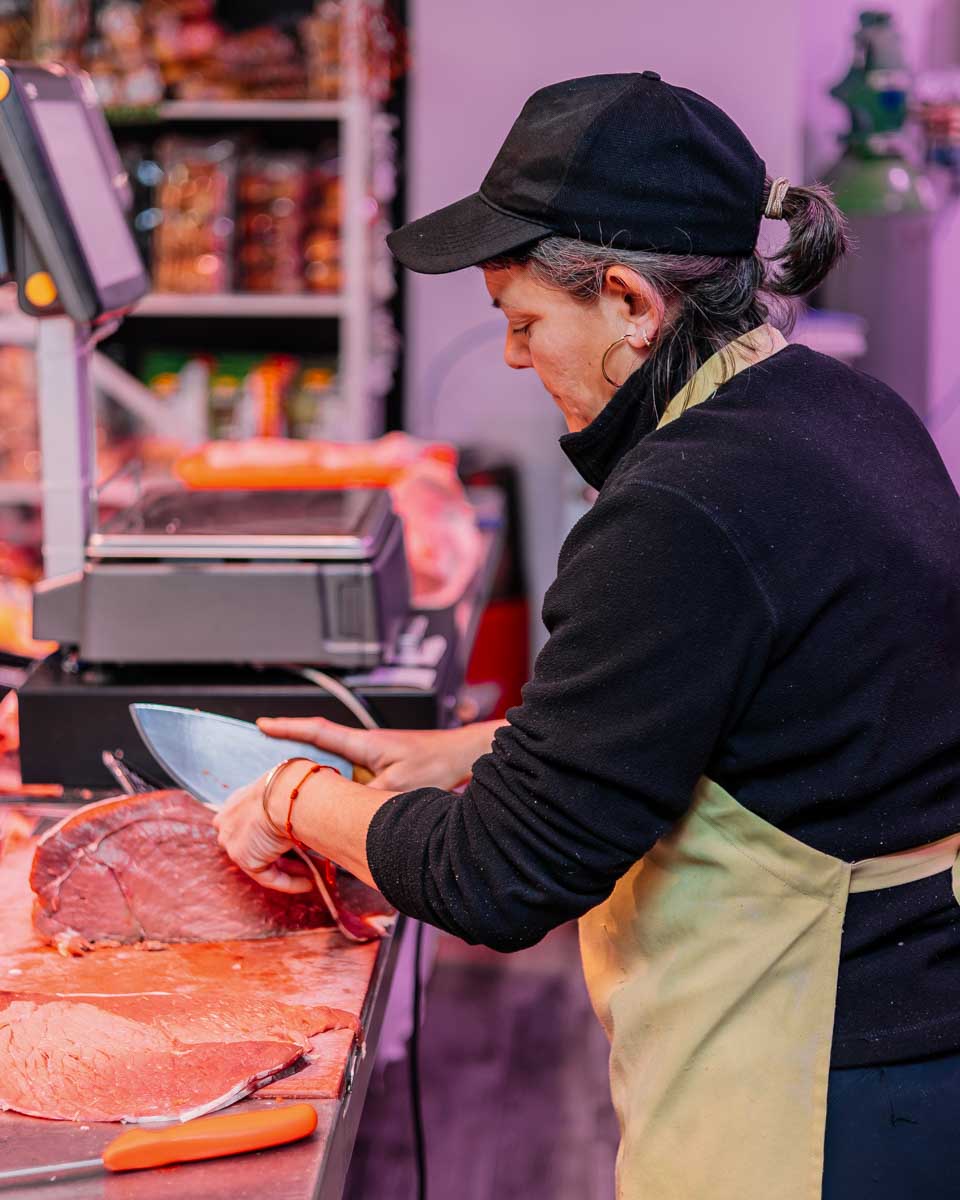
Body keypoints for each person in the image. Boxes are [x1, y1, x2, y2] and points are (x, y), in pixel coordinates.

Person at [215, 73, 960, 1198]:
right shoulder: (837, 406)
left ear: (629, 302)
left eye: (524, 324)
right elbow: (771, 698)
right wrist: (481, 751)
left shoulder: (682, 504)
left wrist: (287, 797)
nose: (515, 360)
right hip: (916, 1023)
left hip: (818, 1081)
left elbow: (500, 877)